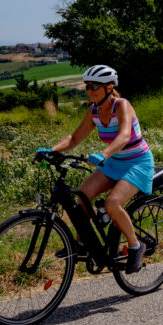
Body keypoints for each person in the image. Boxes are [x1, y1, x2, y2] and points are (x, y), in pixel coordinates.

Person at [48, 65, 152, 274]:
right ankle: (82, 244)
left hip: (137, 163)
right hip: (114, 163)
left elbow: (123, 136)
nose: (90, 90)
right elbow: (74, 138)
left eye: (95, 86)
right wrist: (51, 150)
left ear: (109, 87)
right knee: (83, 196)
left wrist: (102, 155)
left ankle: (135, 246)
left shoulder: (122, 105)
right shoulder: (94, 111)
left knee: (112, 203)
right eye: (87, 86)